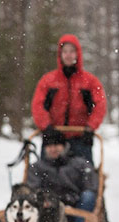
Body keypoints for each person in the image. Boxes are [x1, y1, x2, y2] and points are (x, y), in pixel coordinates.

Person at [31, 34, 106, 165]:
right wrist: (47, 127)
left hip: (81, 138)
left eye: (72, 51)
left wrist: (90, 127)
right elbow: (38, 105)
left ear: (78, 54)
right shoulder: (48, 81)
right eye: (65, 51)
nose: (68, 55)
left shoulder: (90, 82)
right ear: (60, 55)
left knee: (83, 176)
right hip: (53, 138)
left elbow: (100, 105)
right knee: (47, 177)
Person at [27, 131, 98, 222]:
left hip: (75, 206)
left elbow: (90, 185)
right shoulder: (37, 167)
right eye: (49, 146)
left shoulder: (80, 164)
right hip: (48, 209)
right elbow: (33, 188)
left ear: (64, 146)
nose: (53, 149)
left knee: (89, 196)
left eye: (56, 145)